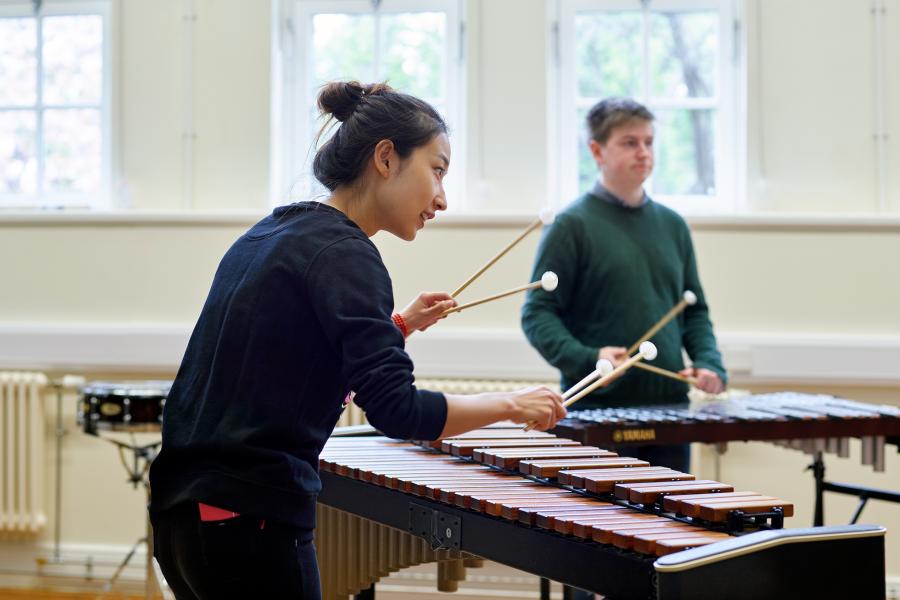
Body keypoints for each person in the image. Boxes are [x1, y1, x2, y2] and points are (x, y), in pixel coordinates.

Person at [148, 81, 567, 600]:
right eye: (436, 170)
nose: (442, 198)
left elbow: (288, 356)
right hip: (250, 523)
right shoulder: (348, 254)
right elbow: (398, 411)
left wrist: (400, 326)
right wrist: (510, 403)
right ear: (386, 158)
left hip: (185, 519)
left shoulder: (270, 233)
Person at [521, 97, 727, 476]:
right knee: (596, 531)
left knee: (671, 527)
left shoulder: (673, 225)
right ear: (596, 150)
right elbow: (537, 314)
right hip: (596, 412)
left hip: (669, 412)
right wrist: (590, 358)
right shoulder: (571, 225)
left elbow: (693, 310)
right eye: (630, 142)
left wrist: (709, 362)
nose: (644, 152)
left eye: (649, 142)